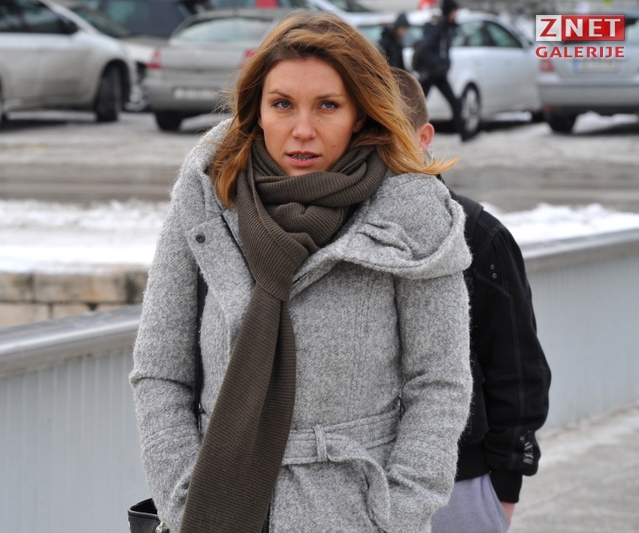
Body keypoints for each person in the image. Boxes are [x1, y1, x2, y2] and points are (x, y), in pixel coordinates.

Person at [131, 12, 474, 533]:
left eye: (328, 105)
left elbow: (440, 382)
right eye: (282, 104)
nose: (303, 130)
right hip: (213, 507)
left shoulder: (412, 213)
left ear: (360, 113)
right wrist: (181, 500)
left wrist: (396, 514)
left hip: (356, 518)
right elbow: (160, 371)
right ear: (258, 109)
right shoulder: (206, 195)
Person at [392, 67, 552, 533]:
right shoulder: (331, 233)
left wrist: (503, 489)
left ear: (424, 137)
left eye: (390, 134)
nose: (377, 151)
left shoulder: (477, 233)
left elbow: (518, 367)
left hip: (462, 486)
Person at [414, 0, 470, 140]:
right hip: (430, 73)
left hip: (438, 74)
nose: (456, 15)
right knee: (417, 106)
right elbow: (424, 50)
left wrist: (445, 64)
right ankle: (408, 135)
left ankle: (464, 134)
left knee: (454, 102)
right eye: (454, 12)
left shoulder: (447, 27)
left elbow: (444, 50)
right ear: (448, 12)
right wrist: (438, 63)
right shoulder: (438, 27)